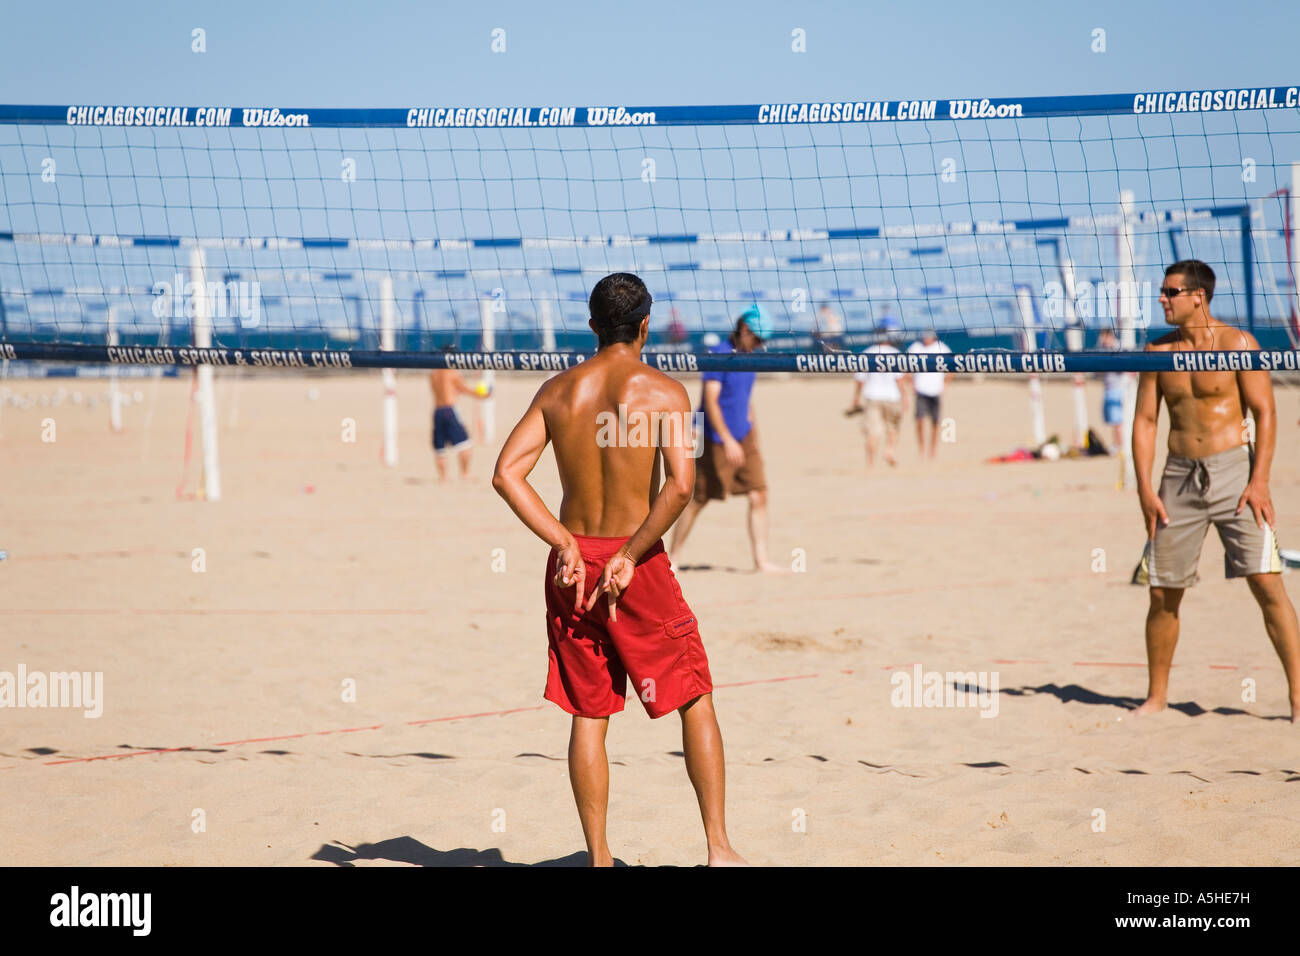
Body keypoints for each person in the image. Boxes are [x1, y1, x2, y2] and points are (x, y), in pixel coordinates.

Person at [492, 272, 747, 865]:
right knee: (694, 696)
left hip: (575, 563)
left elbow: (506, 473)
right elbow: (681, 489)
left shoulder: (559, 391)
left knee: (589, 712)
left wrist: (562, 541)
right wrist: (631, 556)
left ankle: (600, 859)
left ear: (591, 327)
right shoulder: (663, 392)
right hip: (637, 560)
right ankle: (718, 846)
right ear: (646, 326)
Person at [1132, 259, 1300, 721]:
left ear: (1197, 296)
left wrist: (1260, 478)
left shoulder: (1238, 343)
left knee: (1267, 584)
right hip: (1177, 474)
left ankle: (1298, 699)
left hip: (1234, 472)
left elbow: (1265, 411)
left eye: (1170, 292)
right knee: (1163, 592)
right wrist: (1145, 489)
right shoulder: (1156, 351)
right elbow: (1146, 422)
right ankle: (1157, 697)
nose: (1162, 299)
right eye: (1162, 292)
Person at [669, 305, 782, 572]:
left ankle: (762, 561)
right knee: (698, 499)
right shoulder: (720, 355)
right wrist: (728, 439)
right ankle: (672, 559)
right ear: (745, 330)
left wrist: (750, 426)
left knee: (759, 494)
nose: (761, 344)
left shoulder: (749, 356)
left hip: (744, 434)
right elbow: (711, 400)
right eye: (759, 338)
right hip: (712, 435)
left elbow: (743, 397)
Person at [848, 318, 911, 467]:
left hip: (872, 396)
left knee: (872, 433)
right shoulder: (895, 353)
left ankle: (870, 464)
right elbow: (900, 381)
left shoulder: (867, 353)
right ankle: (889, 450)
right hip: (892, 396)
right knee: (893, 428)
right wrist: (905, 398)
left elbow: (860, 380)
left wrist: (855, 398)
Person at [430, 361, 491, 480]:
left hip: (437, 411)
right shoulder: (452, 373)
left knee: (440, 449)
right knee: (465, 444)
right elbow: (464, 389)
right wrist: (481, 395)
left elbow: (441, 390)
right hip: (449, 410)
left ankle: (442, 478)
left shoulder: (433, 374)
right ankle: (465, 474)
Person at [906, 329, 952, 458]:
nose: (926, 338)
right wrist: (912, 383)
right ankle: (921, 448)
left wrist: (945, 384)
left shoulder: (941, 348)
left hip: (936, 390)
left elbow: (952, 367)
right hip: (921, 390)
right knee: (920, 420)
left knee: (935, 422)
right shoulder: (915, 347)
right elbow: (905, 366)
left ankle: (933, 450)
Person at [1097, 328, 1125, 453]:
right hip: (1108, 388)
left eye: (1105, 337)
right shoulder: (1103, 349)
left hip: (1117, 389)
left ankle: (1120, 445)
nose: (1104, 340)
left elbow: (1125, 368)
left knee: (1117, 420)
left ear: (1110, 336)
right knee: (1112, 420)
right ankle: (1117, 443)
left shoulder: (1117, 348)